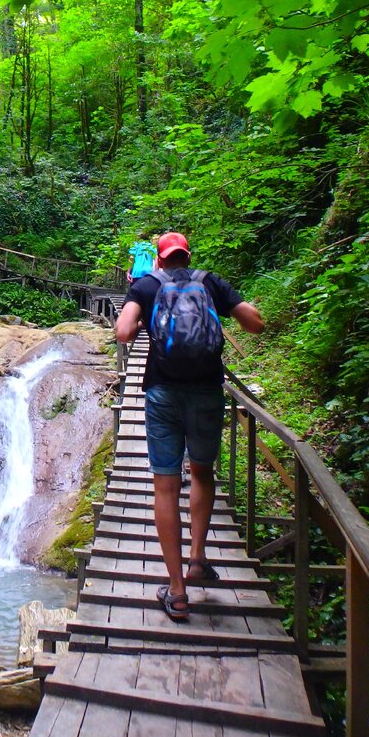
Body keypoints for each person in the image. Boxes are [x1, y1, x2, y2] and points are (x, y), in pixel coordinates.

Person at [114, 232, 263, 622]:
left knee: (165, 483)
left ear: (160, 260)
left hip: (162, 393)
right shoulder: (210, 282)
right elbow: (255, 324)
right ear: (188, 256)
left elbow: (124, 333)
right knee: (201, 470)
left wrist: (144, 312)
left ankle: (177, 592)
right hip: (207, 392)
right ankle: (198, 558)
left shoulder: (148, 285)